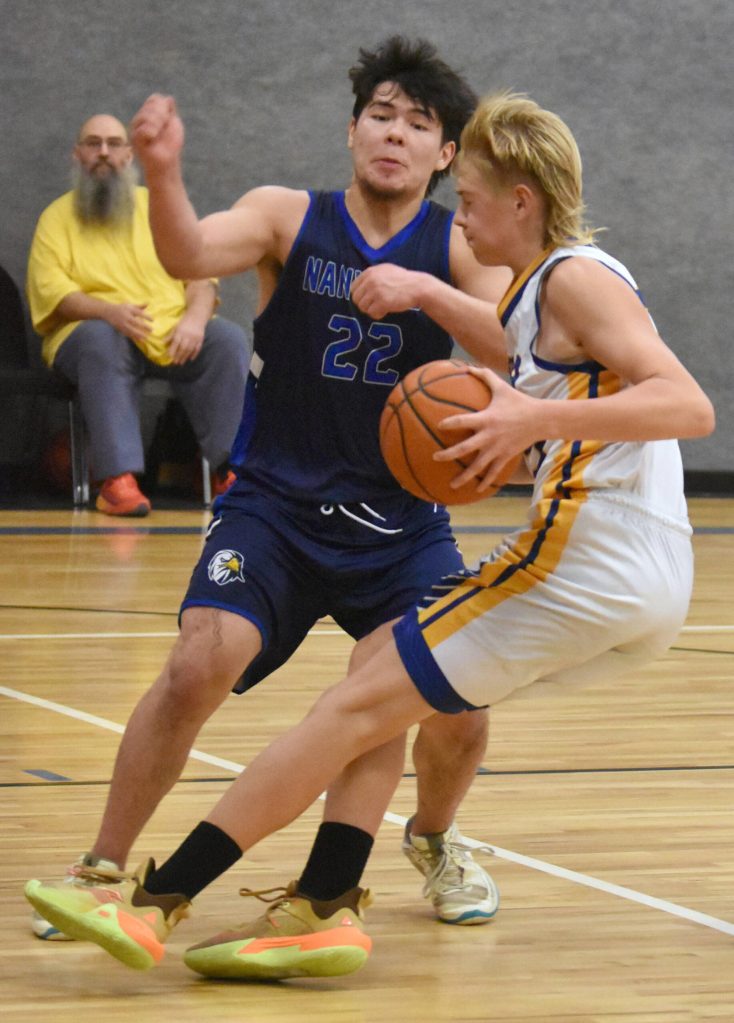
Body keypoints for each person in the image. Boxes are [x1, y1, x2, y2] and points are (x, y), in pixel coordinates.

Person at [25, 88, 715, 979]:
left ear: (519, 199)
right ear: (352, 129)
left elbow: (688, 404)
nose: (456, 210)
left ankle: (162, 901)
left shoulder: (570, 274)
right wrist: (505, 408)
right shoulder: (544, 282)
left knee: (359, 707)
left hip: (576, 560)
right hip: (639, 576)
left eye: (467, 191)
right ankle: (314, 902)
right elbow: (522, 361)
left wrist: (519, 429)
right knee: (379, 696)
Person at [28, 38, 515, 970]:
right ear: (351, 129)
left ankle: (433, 838)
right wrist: (163, 173)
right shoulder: (288, 217)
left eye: (420, 124)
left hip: (401, 525)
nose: (396, 134)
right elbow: (187, 251)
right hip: (277, 508)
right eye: (383, 113)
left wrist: (424, 292)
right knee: (198, 661)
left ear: (446, 155)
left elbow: (512, 343)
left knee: (447, 706)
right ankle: (102, 866)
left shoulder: (455, 248)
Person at [26, 113, 249, 516]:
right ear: (77, 155)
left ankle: (230, 473)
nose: (104, 153)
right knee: (100, 339)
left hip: (169, 331)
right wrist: (108, 312)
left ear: (130, 157)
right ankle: (118, 481)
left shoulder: (159, 208)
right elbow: (52, 294)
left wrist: (195, 320)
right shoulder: (55, 219)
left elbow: (201, 273)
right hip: (91, 337)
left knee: (226, 340)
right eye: (93, 143)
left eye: (114, 143)